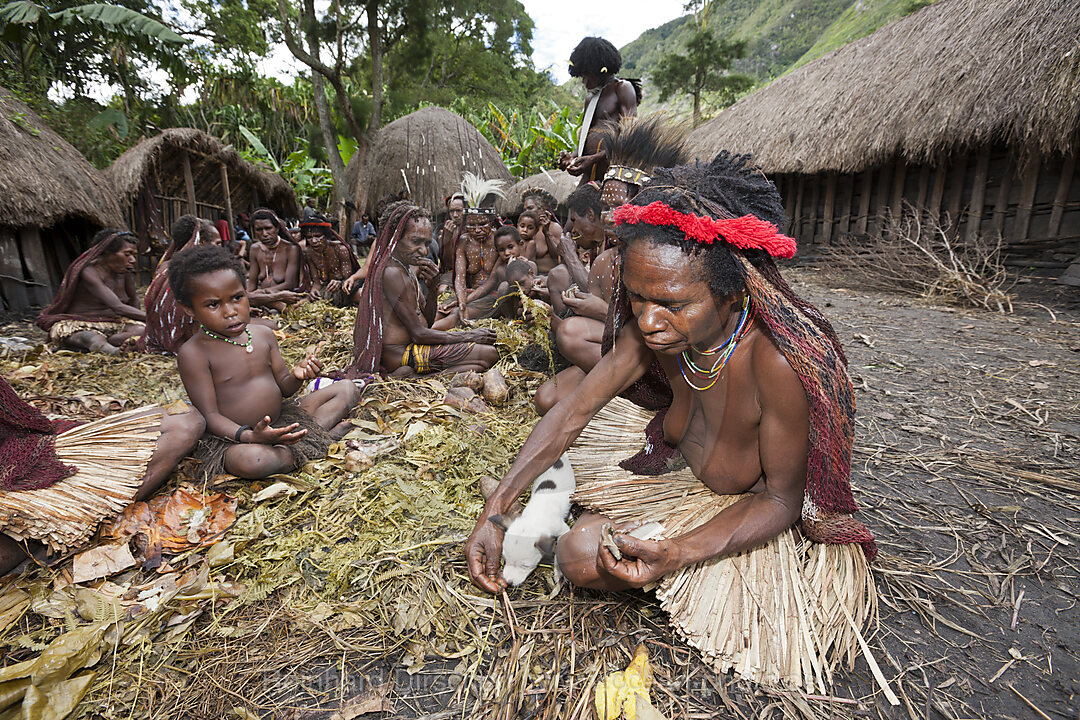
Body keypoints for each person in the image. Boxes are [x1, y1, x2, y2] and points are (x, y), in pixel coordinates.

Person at [465, 153, 877, 688]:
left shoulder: (772, 362)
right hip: (675, 469)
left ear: (733, 291)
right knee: (558, 409)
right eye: (636, 298)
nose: (648, 320)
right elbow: (575, 411)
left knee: (579, 558)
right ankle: (551, 504)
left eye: (672, 304)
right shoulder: (652, 333)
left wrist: (679, 553)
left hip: (736, 510)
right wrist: (497, 509)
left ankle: (569, 512)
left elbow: (781, 499)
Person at [538, 115, 690, 414]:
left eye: (619, 208)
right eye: (605, 208)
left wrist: (600, 311)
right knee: (545, 398)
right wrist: (550, 315)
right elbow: (602, 334)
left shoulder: (666, 261)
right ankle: (615, 396)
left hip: (660, 366)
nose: (609, 217)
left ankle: (644, 400)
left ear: (646, 207)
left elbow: (669, 335)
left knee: (570, 334)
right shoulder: (606, 261)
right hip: (613, 354)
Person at [172, 245, 359, 480]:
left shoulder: (263, 334)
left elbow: (284, 387)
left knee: (347, 388)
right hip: (235, 438)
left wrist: (297, 377)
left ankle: (300, 443)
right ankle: (319, 442)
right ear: (188, 308)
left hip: (282, 418)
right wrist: (249, 436)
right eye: (213, 304)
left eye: (237, 298)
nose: (230, 311)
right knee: (253, 461)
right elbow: (209, 416)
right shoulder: (194, 353)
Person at [0, 376, 204, 576]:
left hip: (30, 460)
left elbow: (25, 424)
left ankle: (78, 528)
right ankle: (60, 540)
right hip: (17, 516)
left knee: (184, 422)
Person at [343, 201, 498, 378]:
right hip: (400, 355)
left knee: (482, 361)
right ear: (395, 237)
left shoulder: (406, 268)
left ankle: (415, 376)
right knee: (488, 354)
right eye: (416, 242)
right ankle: (415, 378)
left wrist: (432, 289)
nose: (424, 251)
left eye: (427, 243)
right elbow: (419, 334)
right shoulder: (391, 272)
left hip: (411, 348)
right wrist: (470, 335)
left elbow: (428, 322)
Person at [36, 229, 145, 355]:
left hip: (114, 324)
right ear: (107, 252)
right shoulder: (89, 271)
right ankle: (114, 351)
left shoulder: (123, 272)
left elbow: (133, 300)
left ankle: (107, 343)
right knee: (90, 338)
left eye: (134, 255)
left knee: (142, 331)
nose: (133, 260)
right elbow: (118, 307)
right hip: (80, 324)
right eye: (127, 254)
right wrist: (153, 319)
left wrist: (140, 324)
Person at [558, 37, 640, 185]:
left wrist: (594, 158)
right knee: (575, 205)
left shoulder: (622, 88)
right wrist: (571, 157)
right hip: (591, 174)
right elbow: (585, 140)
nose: (584, 81)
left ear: (600, 70)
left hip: (615, 173)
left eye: (588, 75)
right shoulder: (590, 99)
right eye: (582, 76)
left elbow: (630, 137)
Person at [138, 216, 221, 355]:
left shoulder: (164, 265)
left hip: (162, 337)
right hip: (187, 337)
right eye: (217, 243)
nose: (221, 248)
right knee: (266, 327)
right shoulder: (200, 269)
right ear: (200, 242)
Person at [246, 208, 305, 310]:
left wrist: (264, 293)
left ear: (277, 228)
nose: (264, 234)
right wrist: (249, 296)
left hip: (285, 298)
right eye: (259, 230)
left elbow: (290, 283)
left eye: (268, 228)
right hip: (262, 300)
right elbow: (252, 282)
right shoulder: (254, 249)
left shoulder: (291, 249)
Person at [300, 213, 360, 305]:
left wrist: (339, 283)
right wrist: (314, 290)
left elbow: (348, 278)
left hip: (347, 285)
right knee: (309, 299)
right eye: (309, 237)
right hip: (327, 287)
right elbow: (316, 282)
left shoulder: (340, 249)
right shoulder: (308, 252)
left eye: (318, 236)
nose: (314, 241)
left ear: (326, 235)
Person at [521, 189, 564, 274]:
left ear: (543, 209)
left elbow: (560, 258)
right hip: (527, 277)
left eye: (530, 208)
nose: (526, 212)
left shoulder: (554, 227)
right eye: (524, 209)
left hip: (549, 278)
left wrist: (547, 233)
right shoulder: (524, 230)